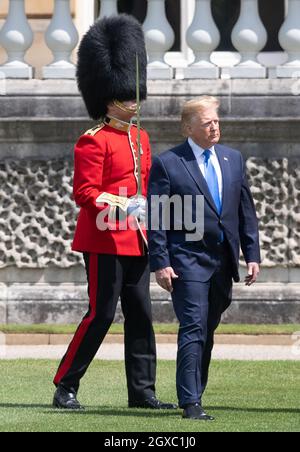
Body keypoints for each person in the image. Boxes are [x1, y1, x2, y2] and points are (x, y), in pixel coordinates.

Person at [53, 14, 177, 411]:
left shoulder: (140, 136)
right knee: (101, 313)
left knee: (140, 314)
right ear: (108, 97)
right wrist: (124, 204)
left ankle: (142, 391)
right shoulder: (93, 141)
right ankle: (66, 385)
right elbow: (85, 192)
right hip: (105, 239)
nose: (133, 101)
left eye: (134, 94)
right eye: (126, 95)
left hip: (137, 237)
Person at [147, 96, 261, 420]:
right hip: (186, 259)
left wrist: (252, 255)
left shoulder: (233, 159)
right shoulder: (168, 163)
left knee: (207, 329)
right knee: (193, 326)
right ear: (188, 127)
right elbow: (156, 217)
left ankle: (196, 392)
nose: (215, 127)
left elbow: (245, 212)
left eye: (217, 121)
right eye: (208, 122)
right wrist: (160, 261)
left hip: (223, 261)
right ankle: (190, 402)